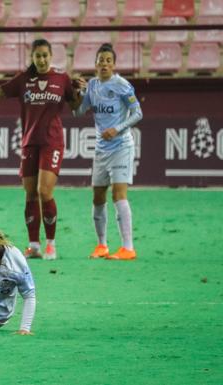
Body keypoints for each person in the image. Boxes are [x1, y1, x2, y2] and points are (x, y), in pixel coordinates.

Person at [0, 39, 84, 260]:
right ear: (33, 58)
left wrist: (79, 93)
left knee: (45, 191)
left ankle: (51, 244)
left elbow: (75, 107)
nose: (42, 60)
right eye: (38, 56)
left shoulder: (62, 78)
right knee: (30, 194)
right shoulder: (24, 79)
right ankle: (34, 245)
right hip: (29, 142)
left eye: (45, 55)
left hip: (52, 141)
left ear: (51, 56)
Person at [73, 43, 143, 261]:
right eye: (100, 60)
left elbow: (137, 112)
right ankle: (102, 245)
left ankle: (128, 248)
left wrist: (118, 129)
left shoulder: (121, 85)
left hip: (121, 146)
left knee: (118, 194)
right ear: (95, 63)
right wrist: (78, 93)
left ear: (114, 65)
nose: (104, 64)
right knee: (97, 197)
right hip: (101, 150)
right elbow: (77, 112)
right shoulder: (92, 86)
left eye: (108, 61)